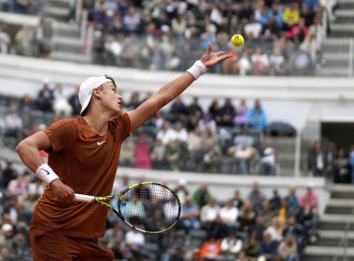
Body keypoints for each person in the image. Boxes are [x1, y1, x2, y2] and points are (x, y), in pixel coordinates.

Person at [15, 44, 231, 260]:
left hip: (89, 239)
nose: (120, 96)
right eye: (113, 90)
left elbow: (160, 99)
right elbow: (25, 146)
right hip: (53, 231)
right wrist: (54, 182)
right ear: (96, 93)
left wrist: (199, 67)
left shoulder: (118, 129)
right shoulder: (70, 128)